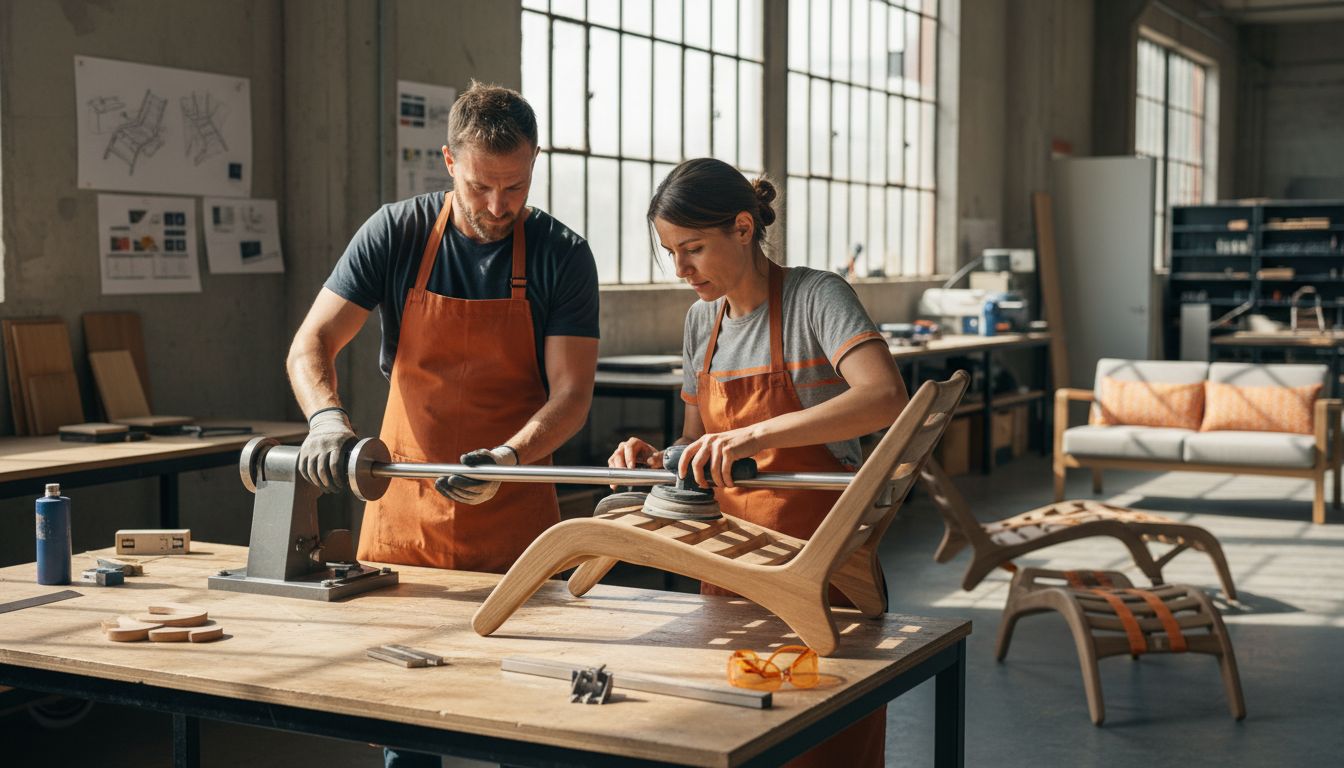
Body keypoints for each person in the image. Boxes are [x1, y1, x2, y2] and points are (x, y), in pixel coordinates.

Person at [609, 157, 908, 767]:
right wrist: (656, 457)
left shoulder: (814, 297)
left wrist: (753, 435)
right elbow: (696, 443)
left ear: (743, 229)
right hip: (729, 565)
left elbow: (884, 398)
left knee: (822, 739)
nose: (681, 270)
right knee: (740, 734)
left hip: (823, 565)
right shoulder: (701, 323)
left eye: (692, 248)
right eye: (671, 253)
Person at [287, 80, 600, 577]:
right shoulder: (395, 233)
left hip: (513, 502)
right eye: (480, 186)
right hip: (403, 498)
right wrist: (326, 419)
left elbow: (572, 394)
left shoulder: (563, 254)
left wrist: (507, 458)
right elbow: (312, 342)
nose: (498, 207)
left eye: (515, 186)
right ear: (450, 162)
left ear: (534, 161)